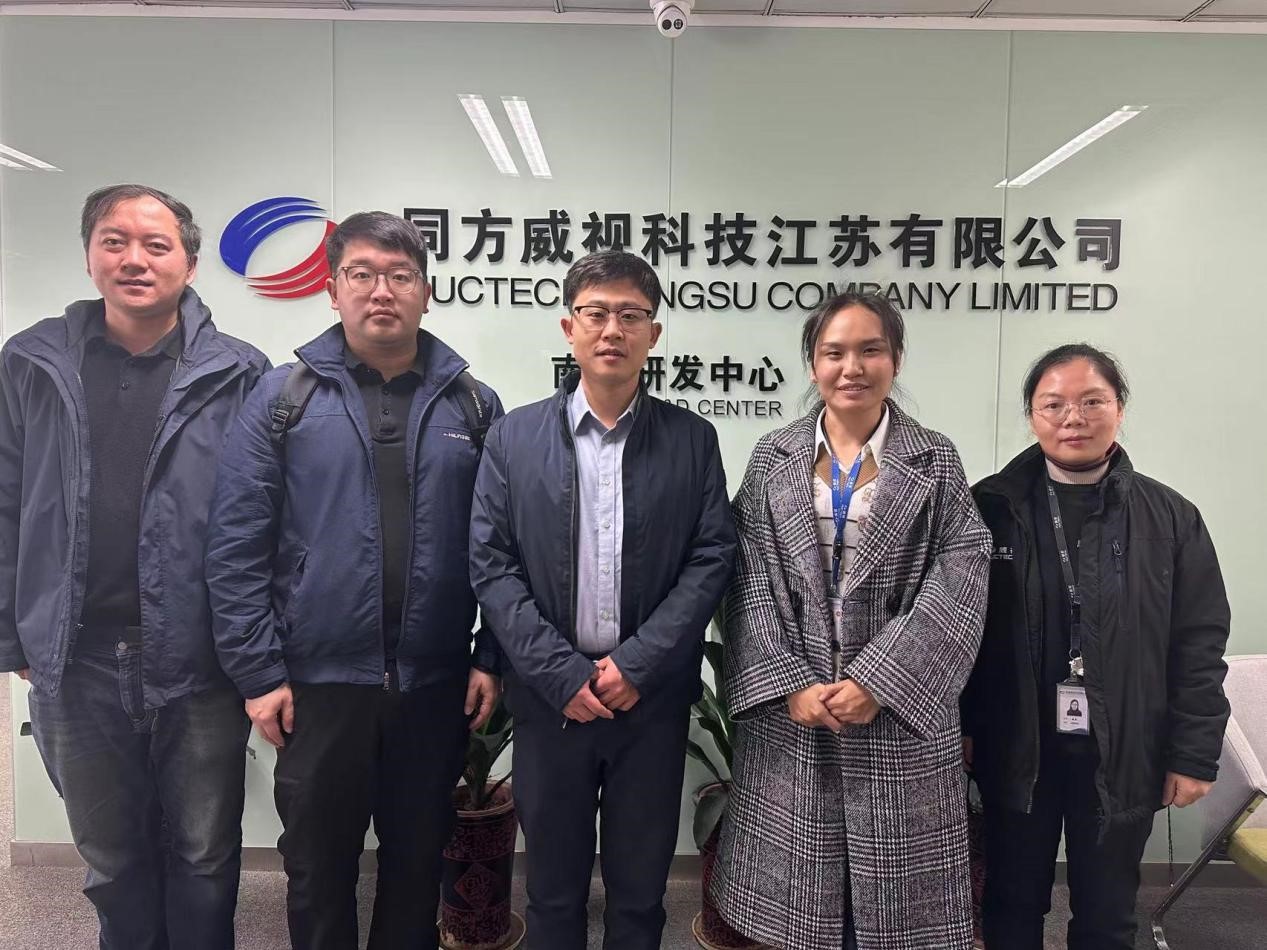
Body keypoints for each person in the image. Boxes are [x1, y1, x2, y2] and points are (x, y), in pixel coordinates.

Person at [205, 211, 502, 949]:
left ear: (425, 291)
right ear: (333, 290)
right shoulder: (282, 398)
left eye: (400, 276)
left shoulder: (473, 404)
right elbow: (235, 545)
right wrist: (258, 673)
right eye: (362, 274)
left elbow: (502, 548)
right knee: (316, 867)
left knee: (416, 865)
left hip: (433, 685)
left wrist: (490, 655)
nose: (381, 291)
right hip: (317, 684)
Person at [0, 184, 269, 949]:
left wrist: (257, 652)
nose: (134, 259)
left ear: (189, 262)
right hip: (75, 656)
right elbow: (6, 498)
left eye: (156, 245)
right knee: (112, 858)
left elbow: (266, 522)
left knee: (203, 854)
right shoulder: (31, 362)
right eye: (114, 241)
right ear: (89, 255)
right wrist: (14, 636)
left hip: (198, 658)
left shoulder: (241, 372)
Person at [469, 249, 736, 950]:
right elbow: (491, 563)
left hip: (647, 703)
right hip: (549, 702)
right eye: (596, 313)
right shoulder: (514, 437)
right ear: (569, 327)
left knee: (640, 892)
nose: (612, 329)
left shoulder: (692, 440)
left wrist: (637, 665)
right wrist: (559, 673)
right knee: (552, 891)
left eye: (630, 315)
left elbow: (711, 556)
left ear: (653, 333)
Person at [710, 292, 991, 950]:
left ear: (896, 359)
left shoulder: (934, 459)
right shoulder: (773, 455)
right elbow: (745, 574)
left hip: (895, 716)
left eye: (871, 350)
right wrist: (788, 683)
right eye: (833, 352)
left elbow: (962, 573)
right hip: (796, 712)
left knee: (892, 913)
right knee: (800, 909)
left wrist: (881, 681)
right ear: (813, 364)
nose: (852, 367)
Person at [963, 343, 1231, 950]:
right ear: (1032, 414)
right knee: (1009, 907)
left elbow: (1199, 643)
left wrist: (1194, 753)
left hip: (1126, 750)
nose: (1073, 418)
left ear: (1120, 409)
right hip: (1016, 749)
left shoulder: (1170, 517)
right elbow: (960, 634)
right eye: (1053, 404)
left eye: (1091, 402)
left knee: (1108, 919)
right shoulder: (989, 508)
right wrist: (962, 726)